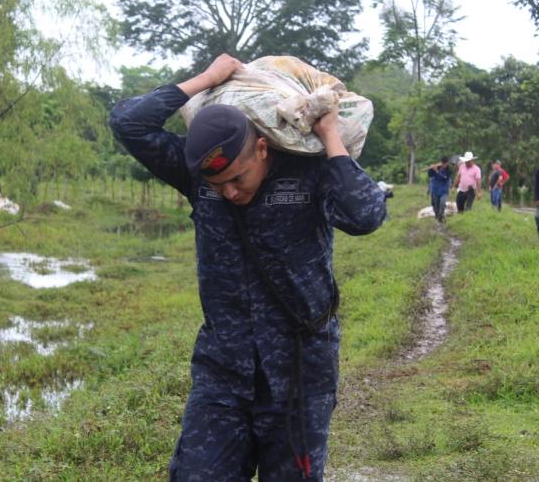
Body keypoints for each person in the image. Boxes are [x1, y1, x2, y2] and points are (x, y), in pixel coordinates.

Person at [109, 54, 386, 481]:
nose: (230, 193)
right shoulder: (197, 176)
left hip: (300, 371)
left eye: (237, 178)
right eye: (218, 186)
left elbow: (364, 216)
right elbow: (128, 123)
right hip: (223, 369)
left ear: (261, 148)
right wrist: (206, 78)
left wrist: (331, 135)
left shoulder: (308, 170)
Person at [427, 157, 452, 223]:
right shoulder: (437, 167)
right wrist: (431, 169)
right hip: (435, 190)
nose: (444, 165)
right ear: (441, 163)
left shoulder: (448, 170)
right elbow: (430, 175)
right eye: (443, 164)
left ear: (447, 163)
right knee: (436, 206)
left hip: (444, 191)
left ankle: (441, 215)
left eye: (445, 164)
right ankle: (438, 219)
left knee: (442, 203)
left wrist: (437, 171)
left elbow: (444, 178)